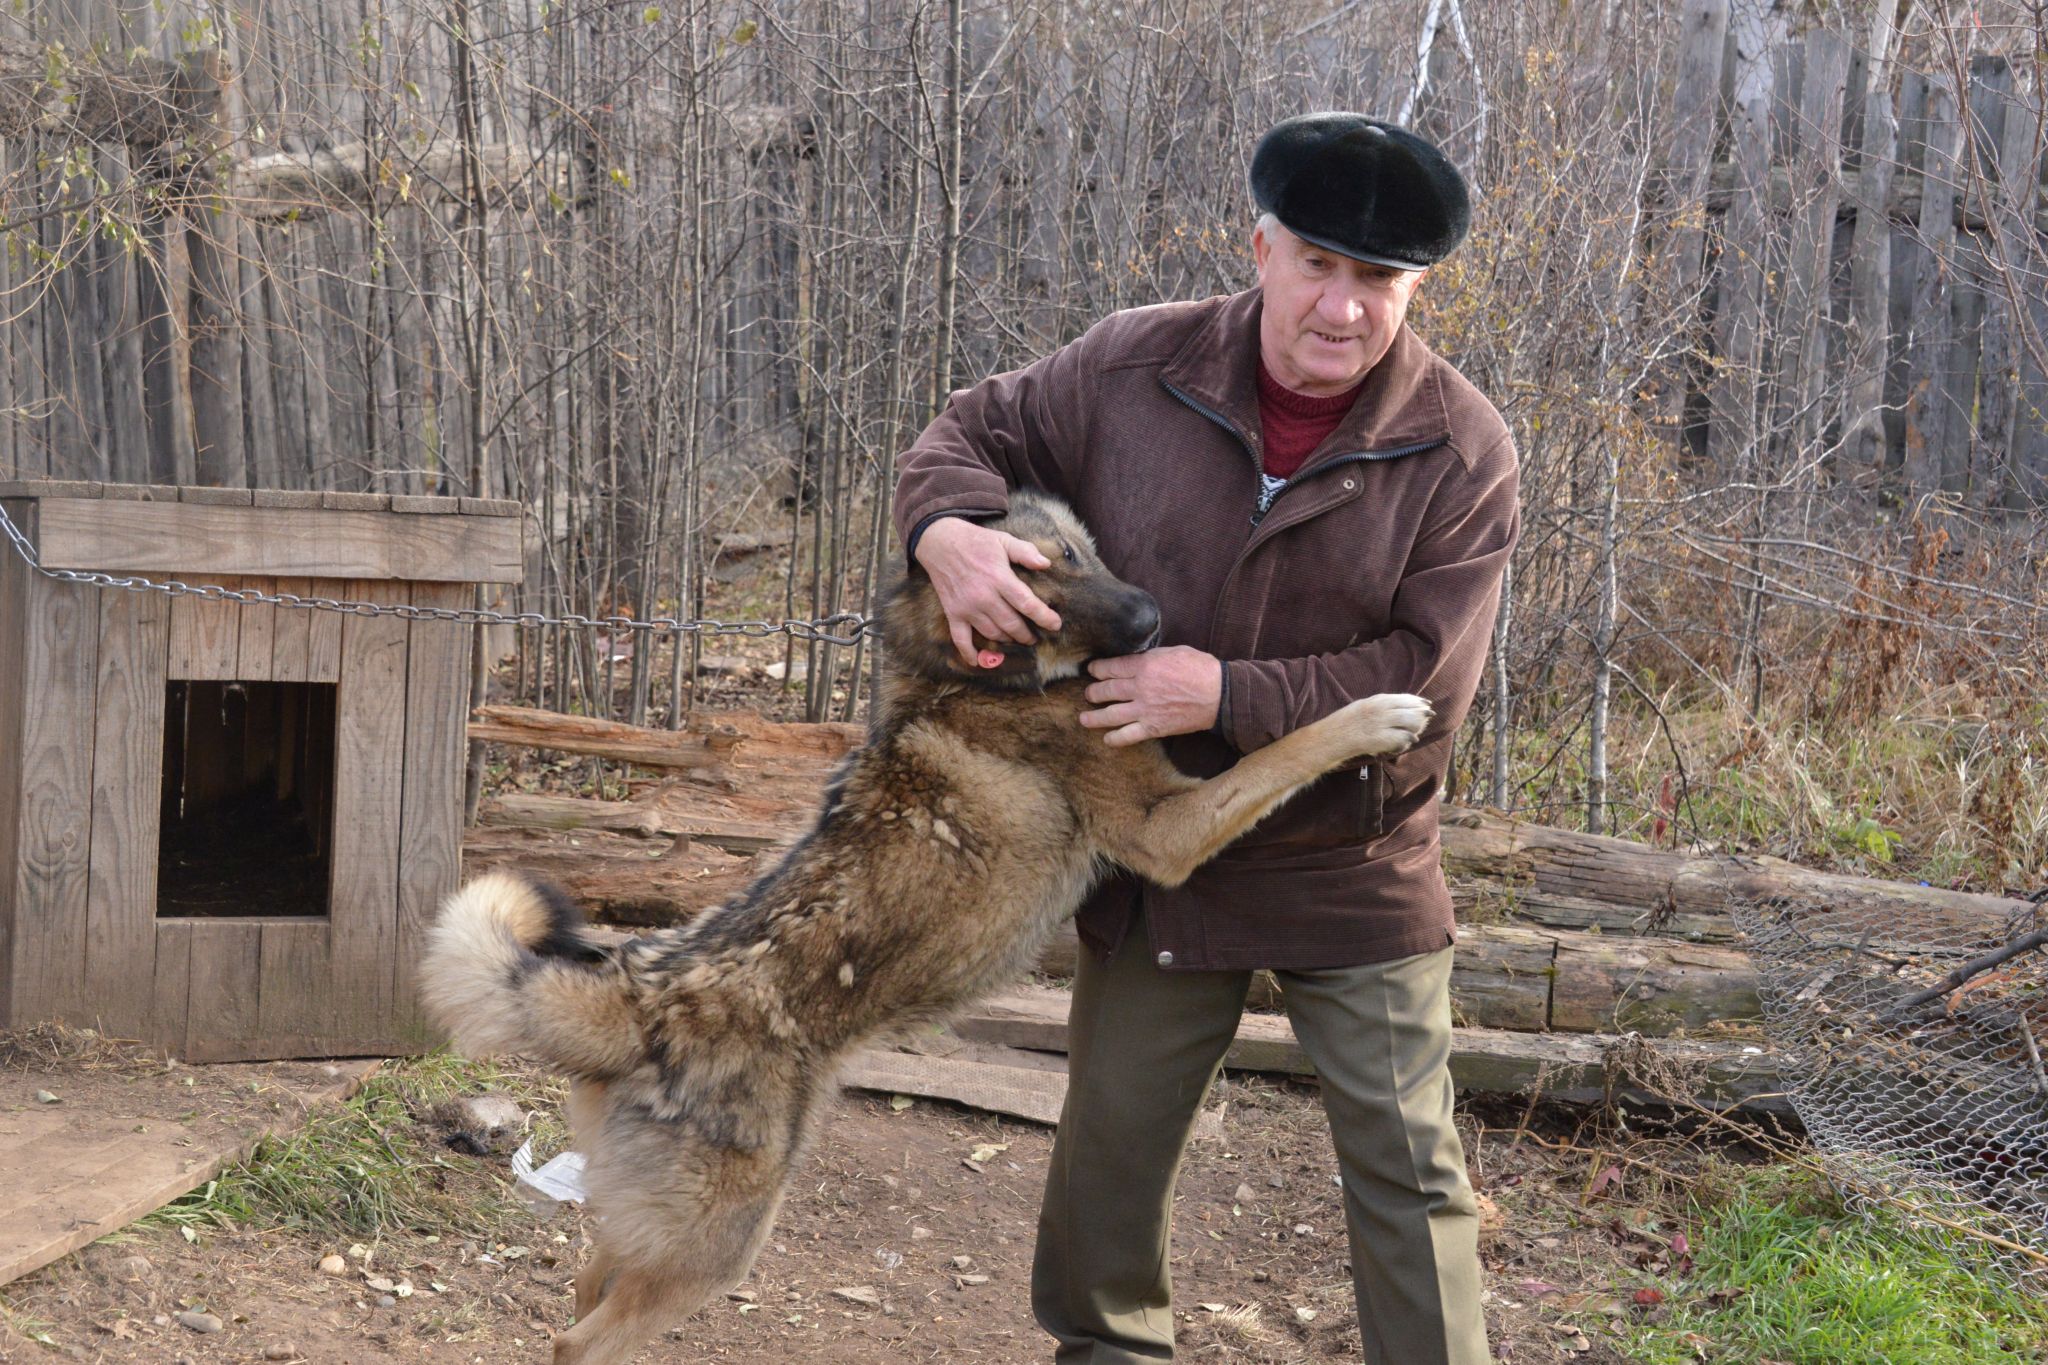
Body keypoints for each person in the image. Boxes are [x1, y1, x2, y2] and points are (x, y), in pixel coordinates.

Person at [892, 112, 1516, 1365]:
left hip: (1348, 862)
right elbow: (968, 432)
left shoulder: (1460, 450)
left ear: (1416, 287)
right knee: (1111, 1152)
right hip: (1149, 847)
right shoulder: (1131, 368)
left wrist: (1223, 694)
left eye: (1378, 281)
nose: (1341, 310)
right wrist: (946, 531)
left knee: (1408, 1171)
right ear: (1262, 248)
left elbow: (1424, 681)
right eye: (1317, 267)